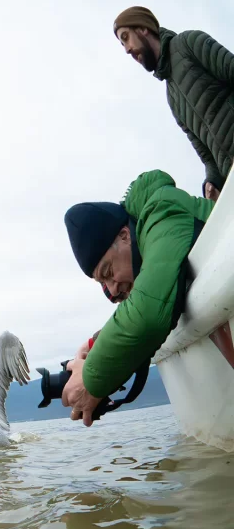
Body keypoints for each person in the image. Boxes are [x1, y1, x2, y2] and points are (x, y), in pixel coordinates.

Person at [61, 169, 213, 425]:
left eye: (108, 273)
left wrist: (90, 380)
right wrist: (95, 343)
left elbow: (149, 312)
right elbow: (149, 295)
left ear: (125, 236)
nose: (113, 290)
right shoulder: (154, 227)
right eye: (103, 284)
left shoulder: (163, 211)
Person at [113, 6, 234, 201]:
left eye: (126, 37)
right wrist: (212, 183)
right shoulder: (173, 99)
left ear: (143, 28)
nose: (127, 50)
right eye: (122, 44)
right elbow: (207, 157)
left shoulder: (189, 43)